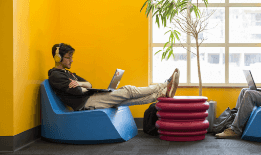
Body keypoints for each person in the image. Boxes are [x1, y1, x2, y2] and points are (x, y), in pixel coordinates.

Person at [48, 43, 180, 111]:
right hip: (86, 103)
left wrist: (80, 84)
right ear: (57, 58)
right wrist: (80, 87)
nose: (71, 60)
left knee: (128, 100)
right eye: (68, 57)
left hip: (90, 98)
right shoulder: (56, 75)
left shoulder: (68, 74)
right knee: (128, 90)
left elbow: (89, 85)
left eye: (72, 57)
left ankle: (162, 94)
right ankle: (164, 84)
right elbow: (77, 92)